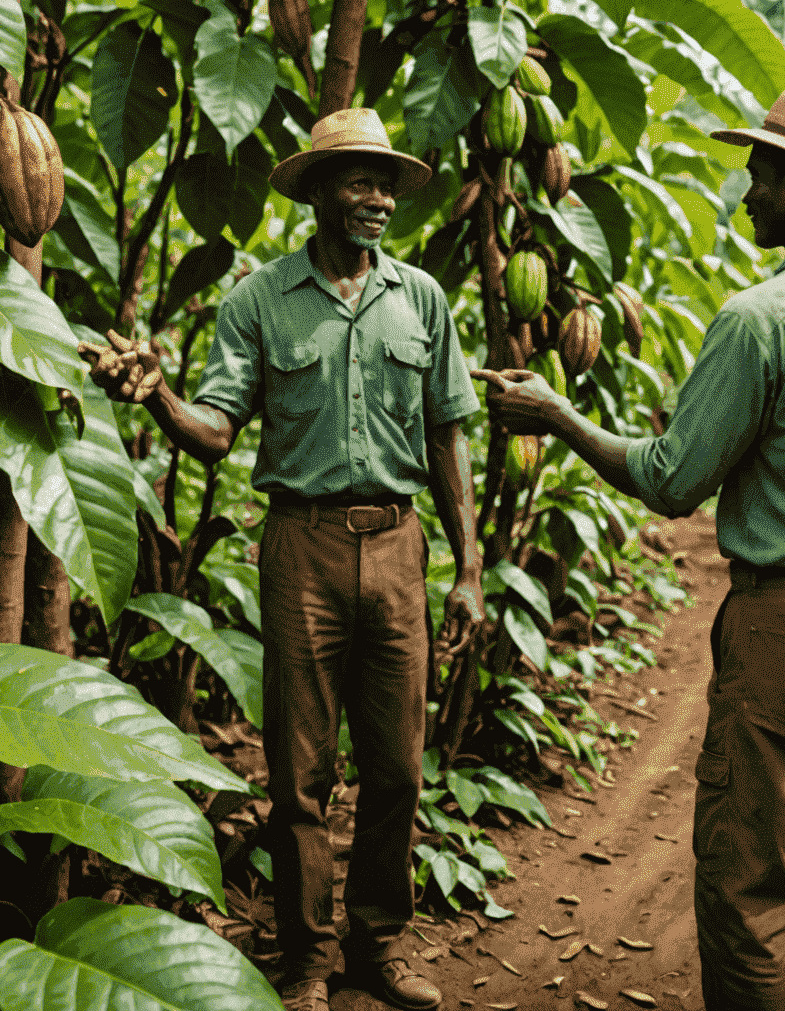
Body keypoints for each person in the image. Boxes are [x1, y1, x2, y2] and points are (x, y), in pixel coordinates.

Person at [477, 79, 785, 1011]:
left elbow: (671, 479)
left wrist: (557, 416)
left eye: (757, 170)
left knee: (747, 890)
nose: (746, 190)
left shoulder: (763, 318)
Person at [80, 108, 483, 1011]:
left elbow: (448, 433)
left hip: (399, 547)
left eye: (385, 181)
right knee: (299, 774)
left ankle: (379, 945)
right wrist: (159, 394)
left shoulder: (420, 298)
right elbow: (216, 431)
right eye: (358, 181)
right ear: (317, 192)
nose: (377, 197)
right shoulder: (260, 300)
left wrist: (469, 568)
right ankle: (304, 958)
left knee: (398, 770)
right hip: (301, 545)